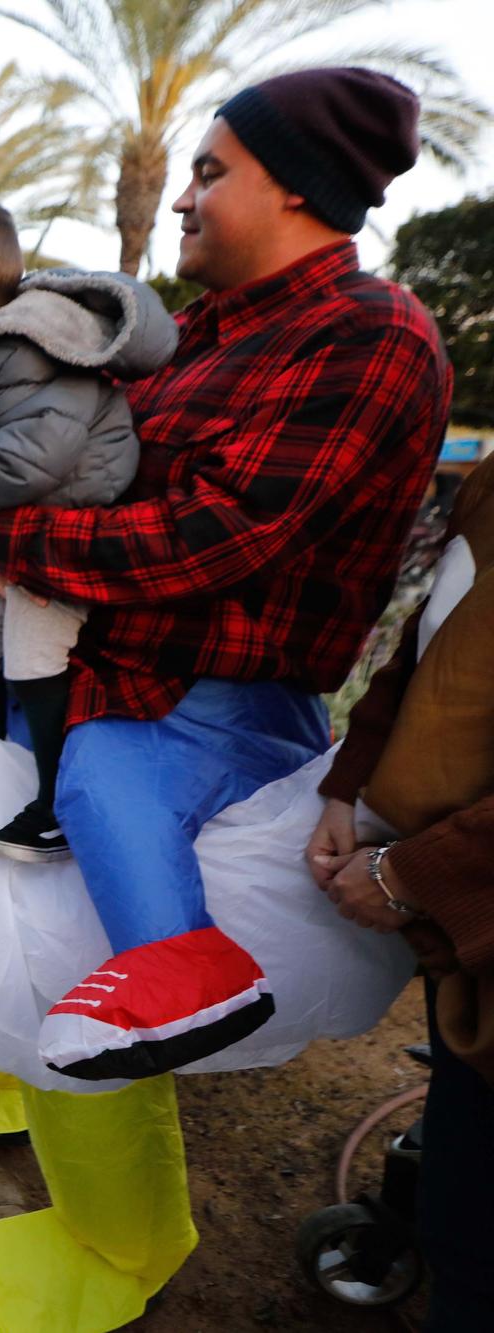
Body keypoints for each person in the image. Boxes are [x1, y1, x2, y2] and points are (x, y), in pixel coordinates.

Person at [0, 67, 451, 1078]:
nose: (180, 197)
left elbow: (214, 534)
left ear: (296, 186)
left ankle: (135, 1155)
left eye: (208, 172)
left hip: (199, 704)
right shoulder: (190, 336)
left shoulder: (368, 335)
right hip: (95, 675)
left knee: (113, 891)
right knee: (40, 936)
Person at [0, 200, 177, 861]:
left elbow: (29, 458)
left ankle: (54, 804)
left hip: (64, 527)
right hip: (9, 529)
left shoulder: (28, 350)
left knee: (32, 655)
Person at [305, 460, 492, 1330]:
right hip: (465, 930)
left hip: (457, 884)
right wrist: (354, 788)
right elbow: (430, 639)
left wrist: (416, 872)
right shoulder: (491, 482)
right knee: (462, 1202)